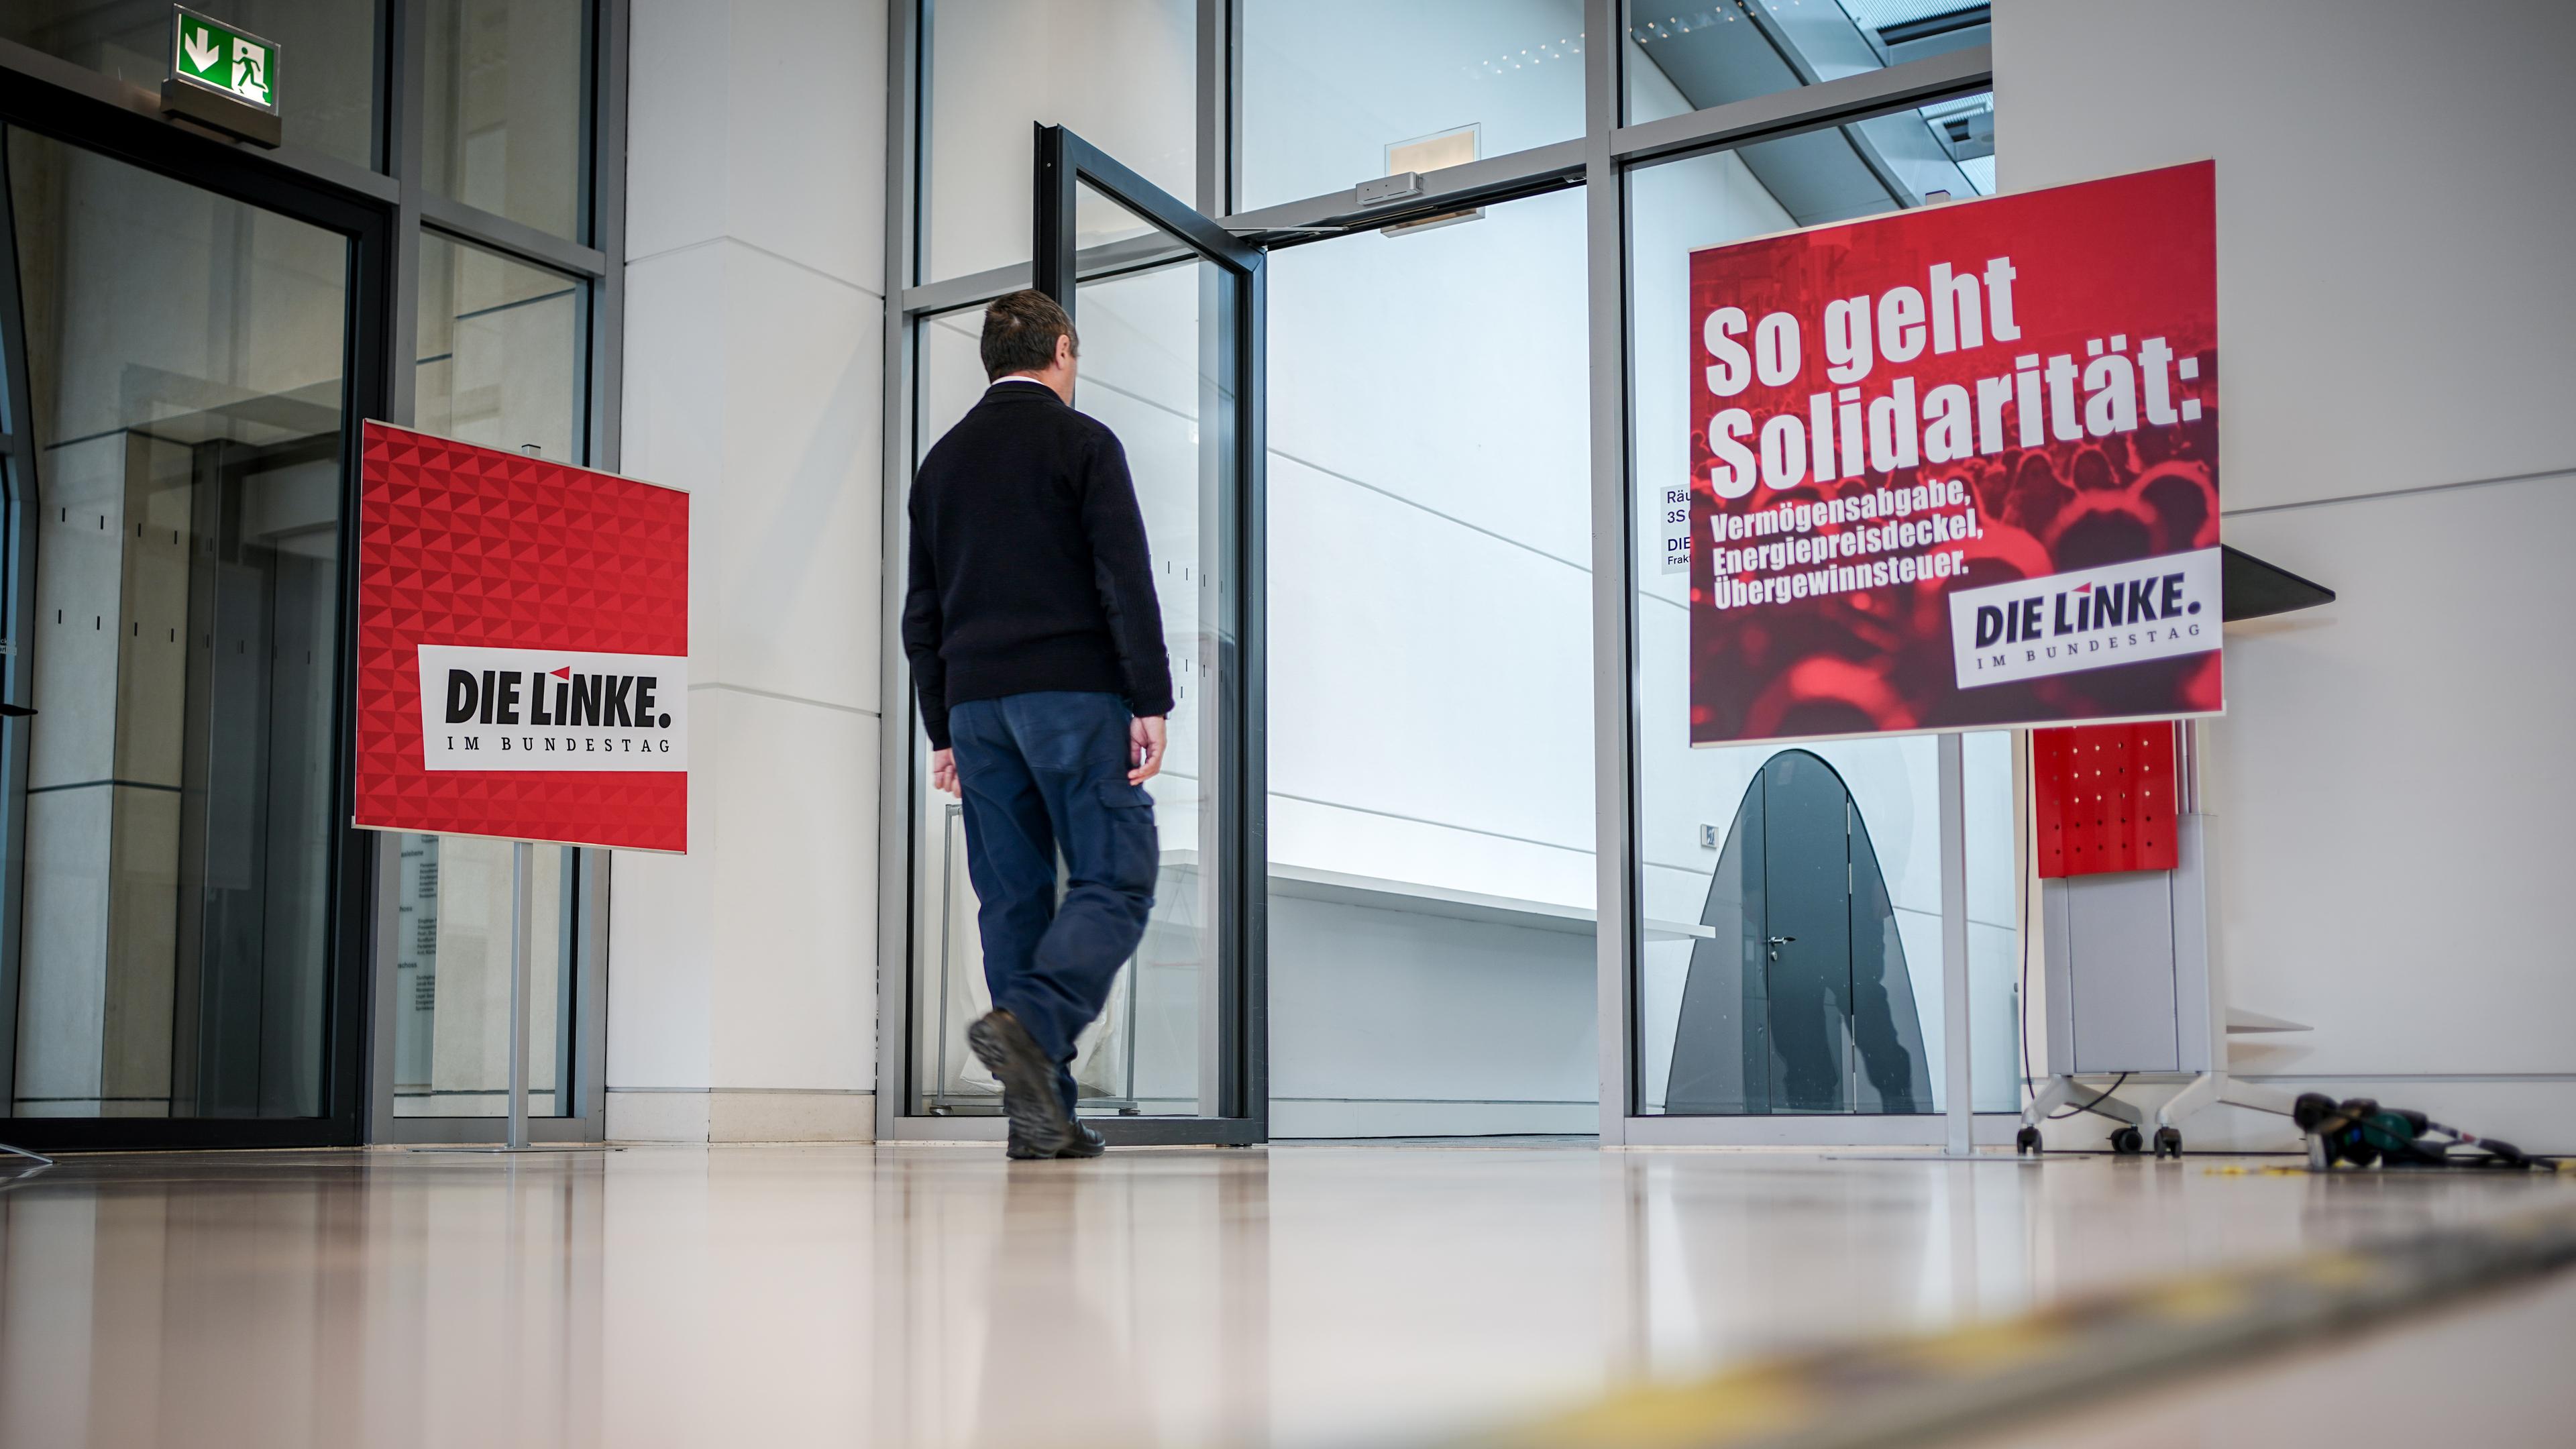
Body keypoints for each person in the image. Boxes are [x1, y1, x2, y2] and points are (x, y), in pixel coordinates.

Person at [902, 289, 1172, 1161]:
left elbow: (923, 614)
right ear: (1062, 348)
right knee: (1117, 872)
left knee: (1012, 896)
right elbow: (1122, 579)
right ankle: (1037, 1022)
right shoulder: (1083, 443)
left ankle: (1040, 1117)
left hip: (978, 709)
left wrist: (944, 729)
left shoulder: (940, 465)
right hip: (1071, 695)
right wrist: (1150, 700)